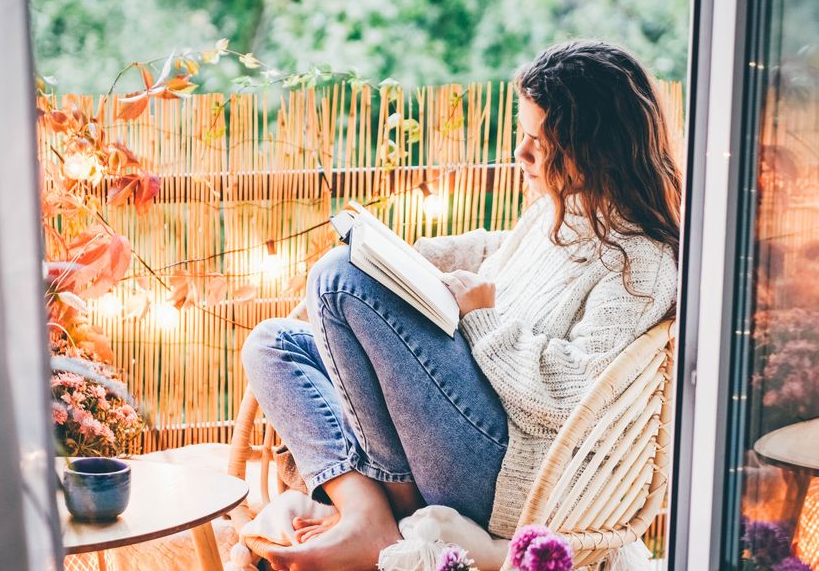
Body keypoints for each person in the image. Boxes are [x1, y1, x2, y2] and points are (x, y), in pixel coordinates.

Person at [242, 40, 682, 571]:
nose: (520, 156)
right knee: (274, 342)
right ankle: (367, 512)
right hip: (466, 422)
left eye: (538, 144)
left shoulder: (641, 263)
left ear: (594, 150)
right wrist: (398, 257)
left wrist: (483, 321)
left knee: (337, 281)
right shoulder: (563, 212)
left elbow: (573, 398)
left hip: (508, 469)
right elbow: (494, 250)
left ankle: (380, 507)